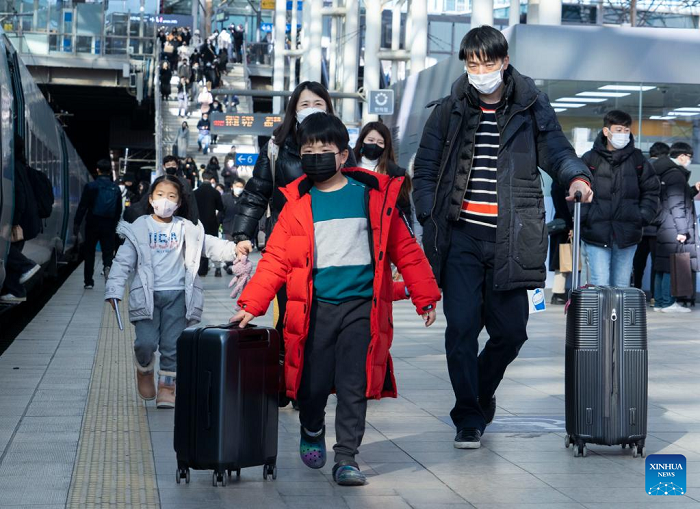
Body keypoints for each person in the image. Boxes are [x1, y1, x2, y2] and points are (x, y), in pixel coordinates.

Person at [232, 113, 441, 486]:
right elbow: (276, 260)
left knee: (352, 382)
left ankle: (346, 457)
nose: (315, 155)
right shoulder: (297, 204)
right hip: (315, 309)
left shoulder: (372, 198)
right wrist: (251, 305)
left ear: (344, 155)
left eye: (323, 149)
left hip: (362, 308)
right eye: (308, 149)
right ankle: (312, 427)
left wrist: (424, 295)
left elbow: (405, 249)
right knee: (311, 385)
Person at [412, 26, 594, 449]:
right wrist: (428, 210)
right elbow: (424, 168)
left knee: (511, 332)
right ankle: (469, 417)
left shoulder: (531, 105)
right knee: (460, 328)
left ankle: (479, 392)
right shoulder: (449, 108)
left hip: (513, 236)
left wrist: (578, 176)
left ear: (504, 62)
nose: (480, 71)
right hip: (461, 236)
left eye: (487, 63)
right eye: (472, 64)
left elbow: (558, 151)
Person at [232, 81, 357, 408]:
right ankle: (295, 383)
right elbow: (257, 190)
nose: (311, 108)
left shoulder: (341, 146)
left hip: (333, 244)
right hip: (288, 243)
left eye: (319, 102)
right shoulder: (277, 146)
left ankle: (310, 384)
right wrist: (243, 234)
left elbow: (357, 192)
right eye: (305, 103)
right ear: (293, 108)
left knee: (324, 318)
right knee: (292, 316)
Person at [105, 175, 238, 408]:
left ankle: (167, 388)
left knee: (172, 345)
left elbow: (209, 244)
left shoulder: (186, 227)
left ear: (179, 202)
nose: (164, 200)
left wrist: (236, 250)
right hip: (146, 296)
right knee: (145, 343)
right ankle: (144, 369)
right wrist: (114, 288)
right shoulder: (140, 227)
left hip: (178, 295)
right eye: (159, 195)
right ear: (150, 198)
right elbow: (123, 261)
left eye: (171, 196)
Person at [580, 110, 660, 287]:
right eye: (618, 129)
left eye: (626, 130)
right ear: (606, 131)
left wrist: (642, 217)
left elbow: (652, 190)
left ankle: (617, 317)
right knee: (599, 283)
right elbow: (576, 190)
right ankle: (600, 316)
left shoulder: (638, 159)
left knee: (621, 285)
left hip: (627, 233)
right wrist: (585, 218)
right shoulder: (590, 159)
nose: (623, 134)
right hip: (596, 232)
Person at [652, 142, 699, 313]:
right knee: (672, 266)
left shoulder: (665, 172)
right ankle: (668, 302)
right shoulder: (676, 175)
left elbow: (676, 199)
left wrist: (693, 190)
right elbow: (677, 203)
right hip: (674, 226)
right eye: (689, 157)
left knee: (662, 266)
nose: (689, 161)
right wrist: (682, 230)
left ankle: (659, 301)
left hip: (665, 225)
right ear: (682, 156)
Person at [0, 141, 42, 303]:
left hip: (21, 220)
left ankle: (27, 266)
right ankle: (17, 292)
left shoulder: (13, 168)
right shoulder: (21, 166)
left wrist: (12, 222)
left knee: (7, 249)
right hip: (28, 219)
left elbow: (19, 195)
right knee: (9, 250)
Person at [74, 159, 123, 289]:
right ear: (110, 172)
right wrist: (115, 224)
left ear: (98, 170)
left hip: (92, 223)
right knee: (108, 252)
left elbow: (82, 206)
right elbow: (119, 209)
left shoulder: (91, 186)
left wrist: (77, 223)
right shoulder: (116, 188)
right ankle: (107, 267)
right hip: (109, 224)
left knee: (89, 252)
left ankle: (88, 281)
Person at [354, 121, 413, 227]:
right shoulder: (347, 167)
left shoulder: (394, 174)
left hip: (381, 229)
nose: (375, 145)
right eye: (371, 140)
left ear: (386, 147)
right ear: (362, 141)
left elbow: (404, 212)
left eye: (380, 142)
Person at [633, 141, 670, 294]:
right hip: (656, 228)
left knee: (638, 262)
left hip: (640, 225)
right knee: (657, 263)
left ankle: (635, 291)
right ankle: (655, 296)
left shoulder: (641, 168)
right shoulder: (666, 170)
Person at [123, 156, 199, 225]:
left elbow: (192, 203)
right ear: (164, 167)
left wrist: (194, 222)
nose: (171, 167)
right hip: (159, 221)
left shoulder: (184, 183)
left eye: (173, 164)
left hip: (180, 220)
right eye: (168, 165)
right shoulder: (159, 182)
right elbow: (144, 203)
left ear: (177, 166)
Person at [194, 172, 224, 277]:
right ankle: (217, 269)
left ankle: (202, 269)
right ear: (212, 179)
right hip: (212, 222)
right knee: (214, 245)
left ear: (202, 178)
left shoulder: (196, 192)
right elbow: (221, 207)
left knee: (200, 245)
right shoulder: (215, 192)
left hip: (199, 223)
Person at [548, 181, 574, 305]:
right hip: (566, 226)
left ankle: (558, 293)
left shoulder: (556, 184)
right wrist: (571, 226)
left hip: (562, 225)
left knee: (562, 261)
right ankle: (558, 293)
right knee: (564, 261)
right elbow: (563, 206)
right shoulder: (562, 185)